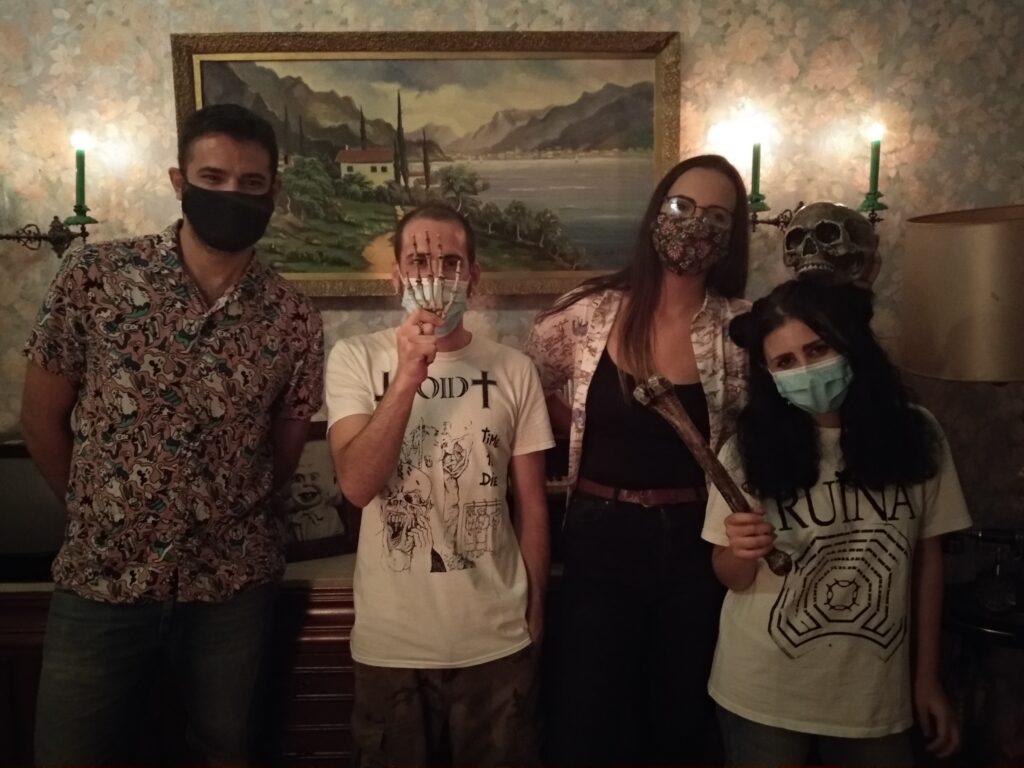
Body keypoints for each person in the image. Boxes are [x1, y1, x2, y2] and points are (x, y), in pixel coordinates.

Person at [20, 103, 324, 763]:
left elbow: (284, 450)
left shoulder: (294, 316)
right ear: (179, 181)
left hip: (231, 590)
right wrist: (96, 512)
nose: (232, 194)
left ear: (272, 191)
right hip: (101, 581)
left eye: (251, 183)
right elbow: (39, 418)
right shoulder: (95, 276)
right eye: (213, 177)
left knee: (225, 752)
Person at [523, 154, 751, 765]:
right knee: (587, 714)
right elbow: (529, 389)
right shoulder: (586, 312)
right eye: (682, 206)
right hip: (598, 533)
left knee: (677, 716)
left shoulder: (740, 331)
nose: (695, 223)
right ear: (656, 214)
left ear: (732, 235)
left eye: (716, 216)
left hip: (696, 544)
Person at [703, 278, 970, 766]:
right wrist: (741, 551)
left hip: (873, 693)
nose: (806, 370)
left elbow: (927, 562)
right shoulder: (745, 450)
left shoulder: (918, 434)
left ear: (850, 343)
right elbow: (731, 577)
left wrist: (926, 677)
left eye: (817, 349)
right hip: (763, 687)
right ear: (768, 373)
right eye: (785, 362)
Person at [325, 203, 554, 767]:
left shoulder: (513, 369)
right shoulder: (355, 358)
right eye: (419, 261)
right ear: (396, 275)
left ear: (473, 276)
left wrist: (536, 609)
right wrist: (408, 374)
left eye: (451, 262)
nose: (435, 276)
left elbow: (531, 505)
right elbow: (357, 486)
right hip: (393, 642)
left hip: (496, 636)